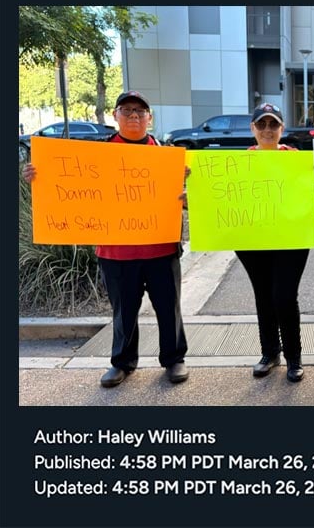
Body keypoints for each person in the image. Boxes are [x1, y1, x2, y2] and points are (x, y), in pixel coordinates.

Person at [22, 91, 189, 388]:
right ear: (115, 116)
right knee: (122, 310)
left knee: (168, 307)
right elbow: (66, 183)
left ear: (149, 118)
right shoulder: (96, 154)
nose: (134, 116)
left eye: (140, 111)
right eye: (127, 110)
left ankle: (174, 359)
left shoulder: (169, 155)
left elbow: (188, 201)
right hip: (116, 252)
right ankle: (122, 362)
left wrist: (188, 192)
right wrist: (38, 175)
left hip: (161, 248)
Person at [235, 103, 310, 383]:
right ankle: (269, 352)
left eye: (273, 124)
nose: (268, 130)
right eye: (262, 124)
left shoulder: (297, 159)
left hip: (291, 239)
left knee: (284, 296)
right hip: (253, 240)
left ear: (282, 128)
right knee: (264, 295)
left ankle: (294, 356)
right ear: (253, 128)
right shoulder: (239, 163)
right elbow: (222, 196)